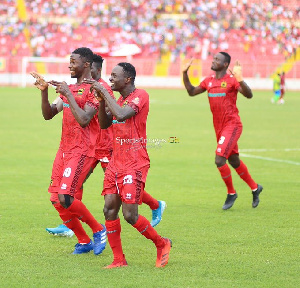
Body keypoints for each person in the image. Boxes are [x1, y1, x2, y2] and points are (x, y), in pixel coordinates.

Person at [46, 54, 166, 237]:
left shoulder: (104, 89)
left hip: (108, 147)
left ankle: (155, 205)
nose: (87, 76)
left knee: (122, 187)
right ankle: (71, 222)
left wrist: (96, 96)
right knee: (75, 183)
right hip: (90, 146)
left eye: (91, 72)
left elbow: (106, 117)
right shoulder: (85, 88)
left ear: (95, 69)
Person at [84, 62, 172, 268]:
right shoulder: (118, 99)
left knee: (130, 215)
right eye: (111, 76)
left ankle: (162, 243)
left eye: (115, 76)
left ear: (128, 79)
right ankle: (119, 260)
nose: (111, 79)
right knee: (109, 210)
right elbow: (105, 124)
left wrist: (105, 95)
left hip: (135, 162)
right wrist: (102, 101)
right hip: (115, 162)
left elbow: (122, 115)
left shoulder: (140, 95)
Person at [31, 47, 107, 255]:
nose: (69, 65)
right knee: (56, 199)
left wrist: (67, 94)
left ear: (86, 65)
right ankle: (84, 240)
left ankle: (99, 230)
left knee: (66, 196)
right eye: (69, 61)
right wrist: (45, 91)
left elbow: (84, 120)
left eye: (73, 62)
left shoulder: (95, 89)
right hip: (63, 150)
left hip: (82, 151)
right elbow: (48, 115)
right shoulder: (69, 89)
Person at [182, 52, 263, 210]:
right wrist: (185, 74)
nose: (214, 60)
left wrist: (240, 79)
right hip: (219, 127)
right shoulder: (209, 81)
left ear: (225, 64)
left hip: (232, 125)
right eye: (214, 58)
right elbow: (191, 91)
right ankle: (255, 187)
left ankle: (231, 193)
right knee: (233, 161)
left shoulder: (232, 81)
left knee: (219, 160)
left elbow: (249, 95)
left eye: (217, 59)